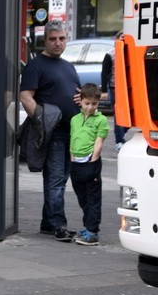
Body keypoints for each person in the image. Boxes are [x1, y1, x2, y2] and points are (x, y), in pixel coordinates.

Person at [19, 21, 81, 242]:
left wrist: (80, 98)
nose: (58, 43)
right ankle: (58, 225)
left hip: (71, 132)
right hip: (53, 133)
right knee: (55, 180)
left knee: (61, 179)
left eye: (62, 39)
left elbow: (74, 93)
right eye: (53, 39)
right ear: (45, 40)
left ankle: (47, 223)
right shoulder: (36, 65)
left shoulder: (68, 66)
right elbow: (26, 96)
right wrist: (43, 120)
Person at [68, 83, 109, 246]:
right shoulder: (75, 119)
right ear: (81, 101)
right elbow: (73, 139)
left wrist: (93, 160)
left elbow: (99, 142)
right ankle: (88, 226)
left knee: (93, 199)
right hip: (76, 164)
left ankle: (93, 232)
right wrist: (72, 158)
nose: (90, 107)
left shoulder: (101, 120)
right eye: (87, 103)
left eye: (94, 104)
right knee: (82, 198)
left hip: (90, 163)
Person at [101, 31, 128, 150]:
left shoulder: (130, 52)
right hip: (115, 88)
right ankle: (119, 140)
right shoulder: (110, 54)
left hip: (128, 88)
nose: (123, 40)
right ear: (116, 39)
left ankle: (121, 133)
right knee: (119, 115)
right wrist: (104, 91)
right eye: (121, 38)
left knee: (129, 115)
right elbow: (104, 73)